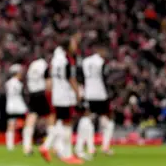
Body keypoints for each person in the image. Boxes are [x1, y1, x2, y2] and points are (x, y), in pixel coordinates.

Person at [40, 37, 83, 165]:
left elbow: (50, 76)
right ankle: (67, 154)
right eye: (73, 43)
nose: (75, 46)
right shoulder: (67, 59)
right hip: (65, 95)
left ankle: (46, 146)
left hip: (57, 94)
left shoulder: (56, 59)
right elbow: (71, 78)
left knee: (60, 123)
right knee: (67, 125)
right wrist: (77, 93)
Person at [78, 43, 114, 157]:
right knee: (108, 121)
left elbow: (81, 78)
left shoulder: (85, 62)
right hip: (100, 94)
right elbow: (105, 78)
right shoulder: (102, 62)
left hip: (88, 93)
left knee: (88, 119)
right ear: (100, 50)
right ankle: (105, 147)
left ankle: (90, 147)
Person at [23, 52, 52, 155]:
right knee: (50, 117)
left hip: (32, 93)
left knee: (31, 118)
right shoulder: (44, 65)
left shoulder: (32, 66)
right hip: (41, 92)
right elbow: (48, 81)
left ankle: (27, 146)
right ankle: (50, 145)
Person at [5, 64, 28, 151]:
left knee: (11, 125)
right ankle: (25, 143)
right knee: (26, 124)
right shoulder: (19, 84)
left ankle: (9, 145)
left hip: (10, 106)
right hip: (20, 106)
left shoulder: (8, 83)